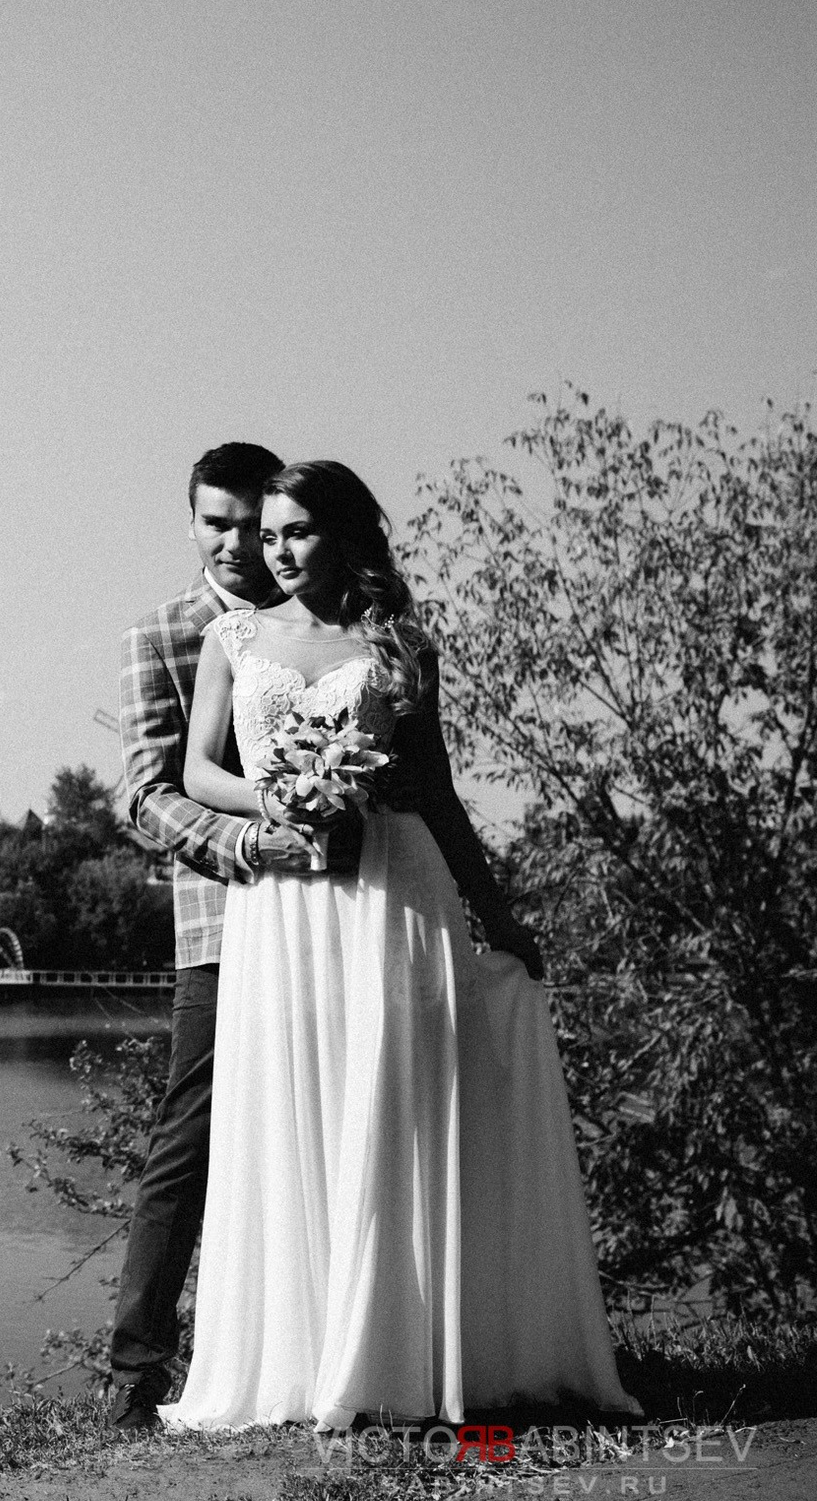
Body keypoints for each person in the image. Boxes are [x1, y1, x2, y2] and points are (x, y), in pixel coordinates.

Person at [162, 460, 636, 1429]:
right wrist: (277, 799)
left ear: (343, 533)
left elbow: (439, 791)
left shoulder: (399, 643)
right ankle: (298, 1359)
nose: (275, 551)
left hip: (390, 896)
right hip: (281, 904)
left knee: (387, 1106)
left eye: (296, 531)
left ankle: (395, 1358)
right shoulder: (232, 635)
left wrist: (495, 916)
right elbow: (197, 768)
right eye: (266, 534)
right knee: (295, 1101)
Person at [106, 442, 353, 1429]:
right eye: (213, 521)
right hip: (219, 919)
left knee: (334, 1120)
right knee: (188, 1139)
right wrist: (254, 841)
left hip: (334, 916)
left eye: (249, 521)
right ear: (194, 523)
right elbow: (140, 792)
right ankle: (133, 1372)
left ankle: (329, 1356)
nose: (234, 539)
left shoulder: (325, 621)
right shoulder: (163, 631)